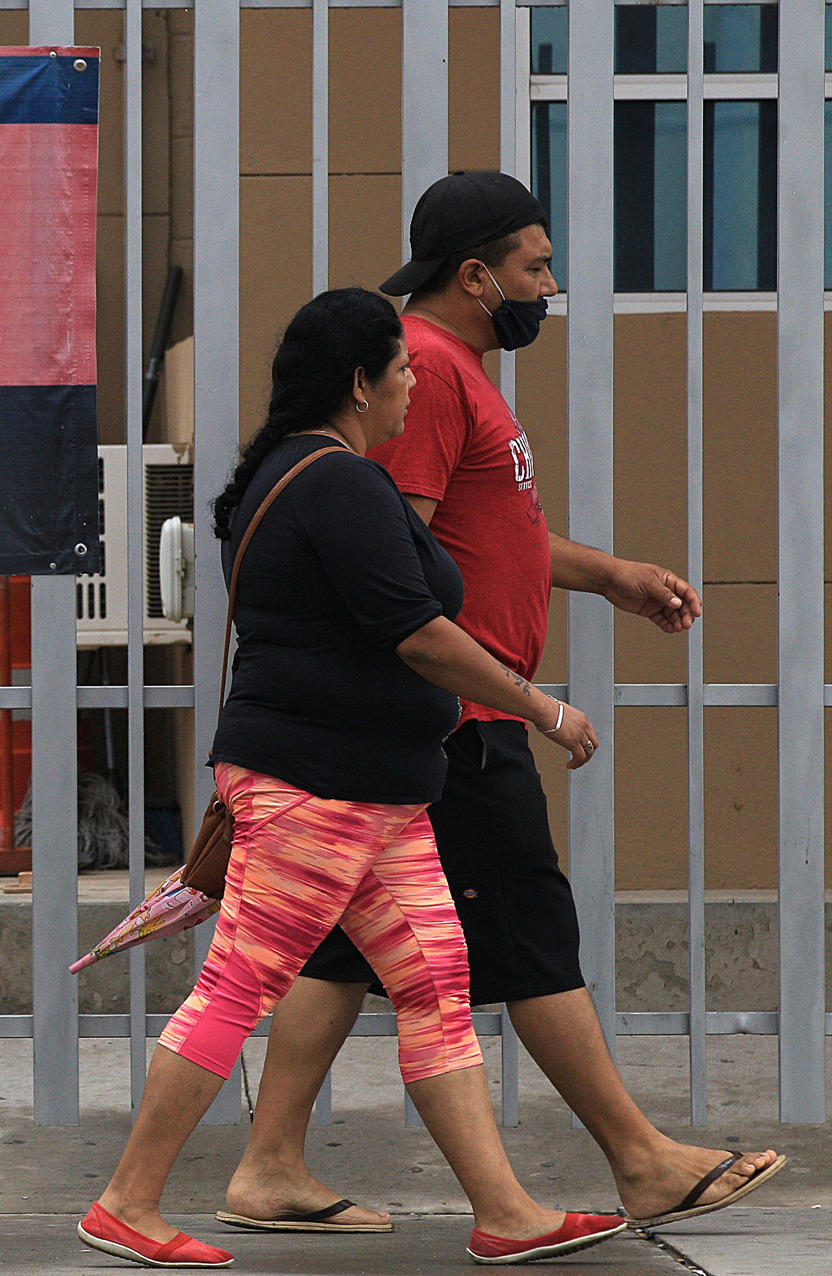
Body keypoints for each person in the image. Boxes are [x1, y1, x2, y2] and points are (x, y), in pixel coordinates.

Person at [219, 172, 784, 1239]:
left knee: (345, 946)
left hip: (447, 714)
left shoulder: (455, 369)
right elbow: (395, 553)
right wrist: (520, 701)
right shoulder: (425, 369)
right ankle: (641, 1158)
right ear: (475, 274)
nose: (549, 284)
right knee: (529, 930)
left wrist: (605, 573)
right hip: (464, 718)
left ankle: (270, 1163)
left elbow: (488, 530)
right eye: (535, 264)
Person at [78, 287, 626, 1269]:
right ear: (362, 381)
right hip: (318, 786)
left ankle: (505, 1211)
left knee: (435, 980)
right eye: (403, 368)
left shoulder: (322, 473)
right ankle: (127, 1199)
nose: (418, 381)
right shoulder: (336, 483)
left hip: (373, 790)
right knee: (242, 979)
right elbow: (416, 633)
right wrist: (542, 709)